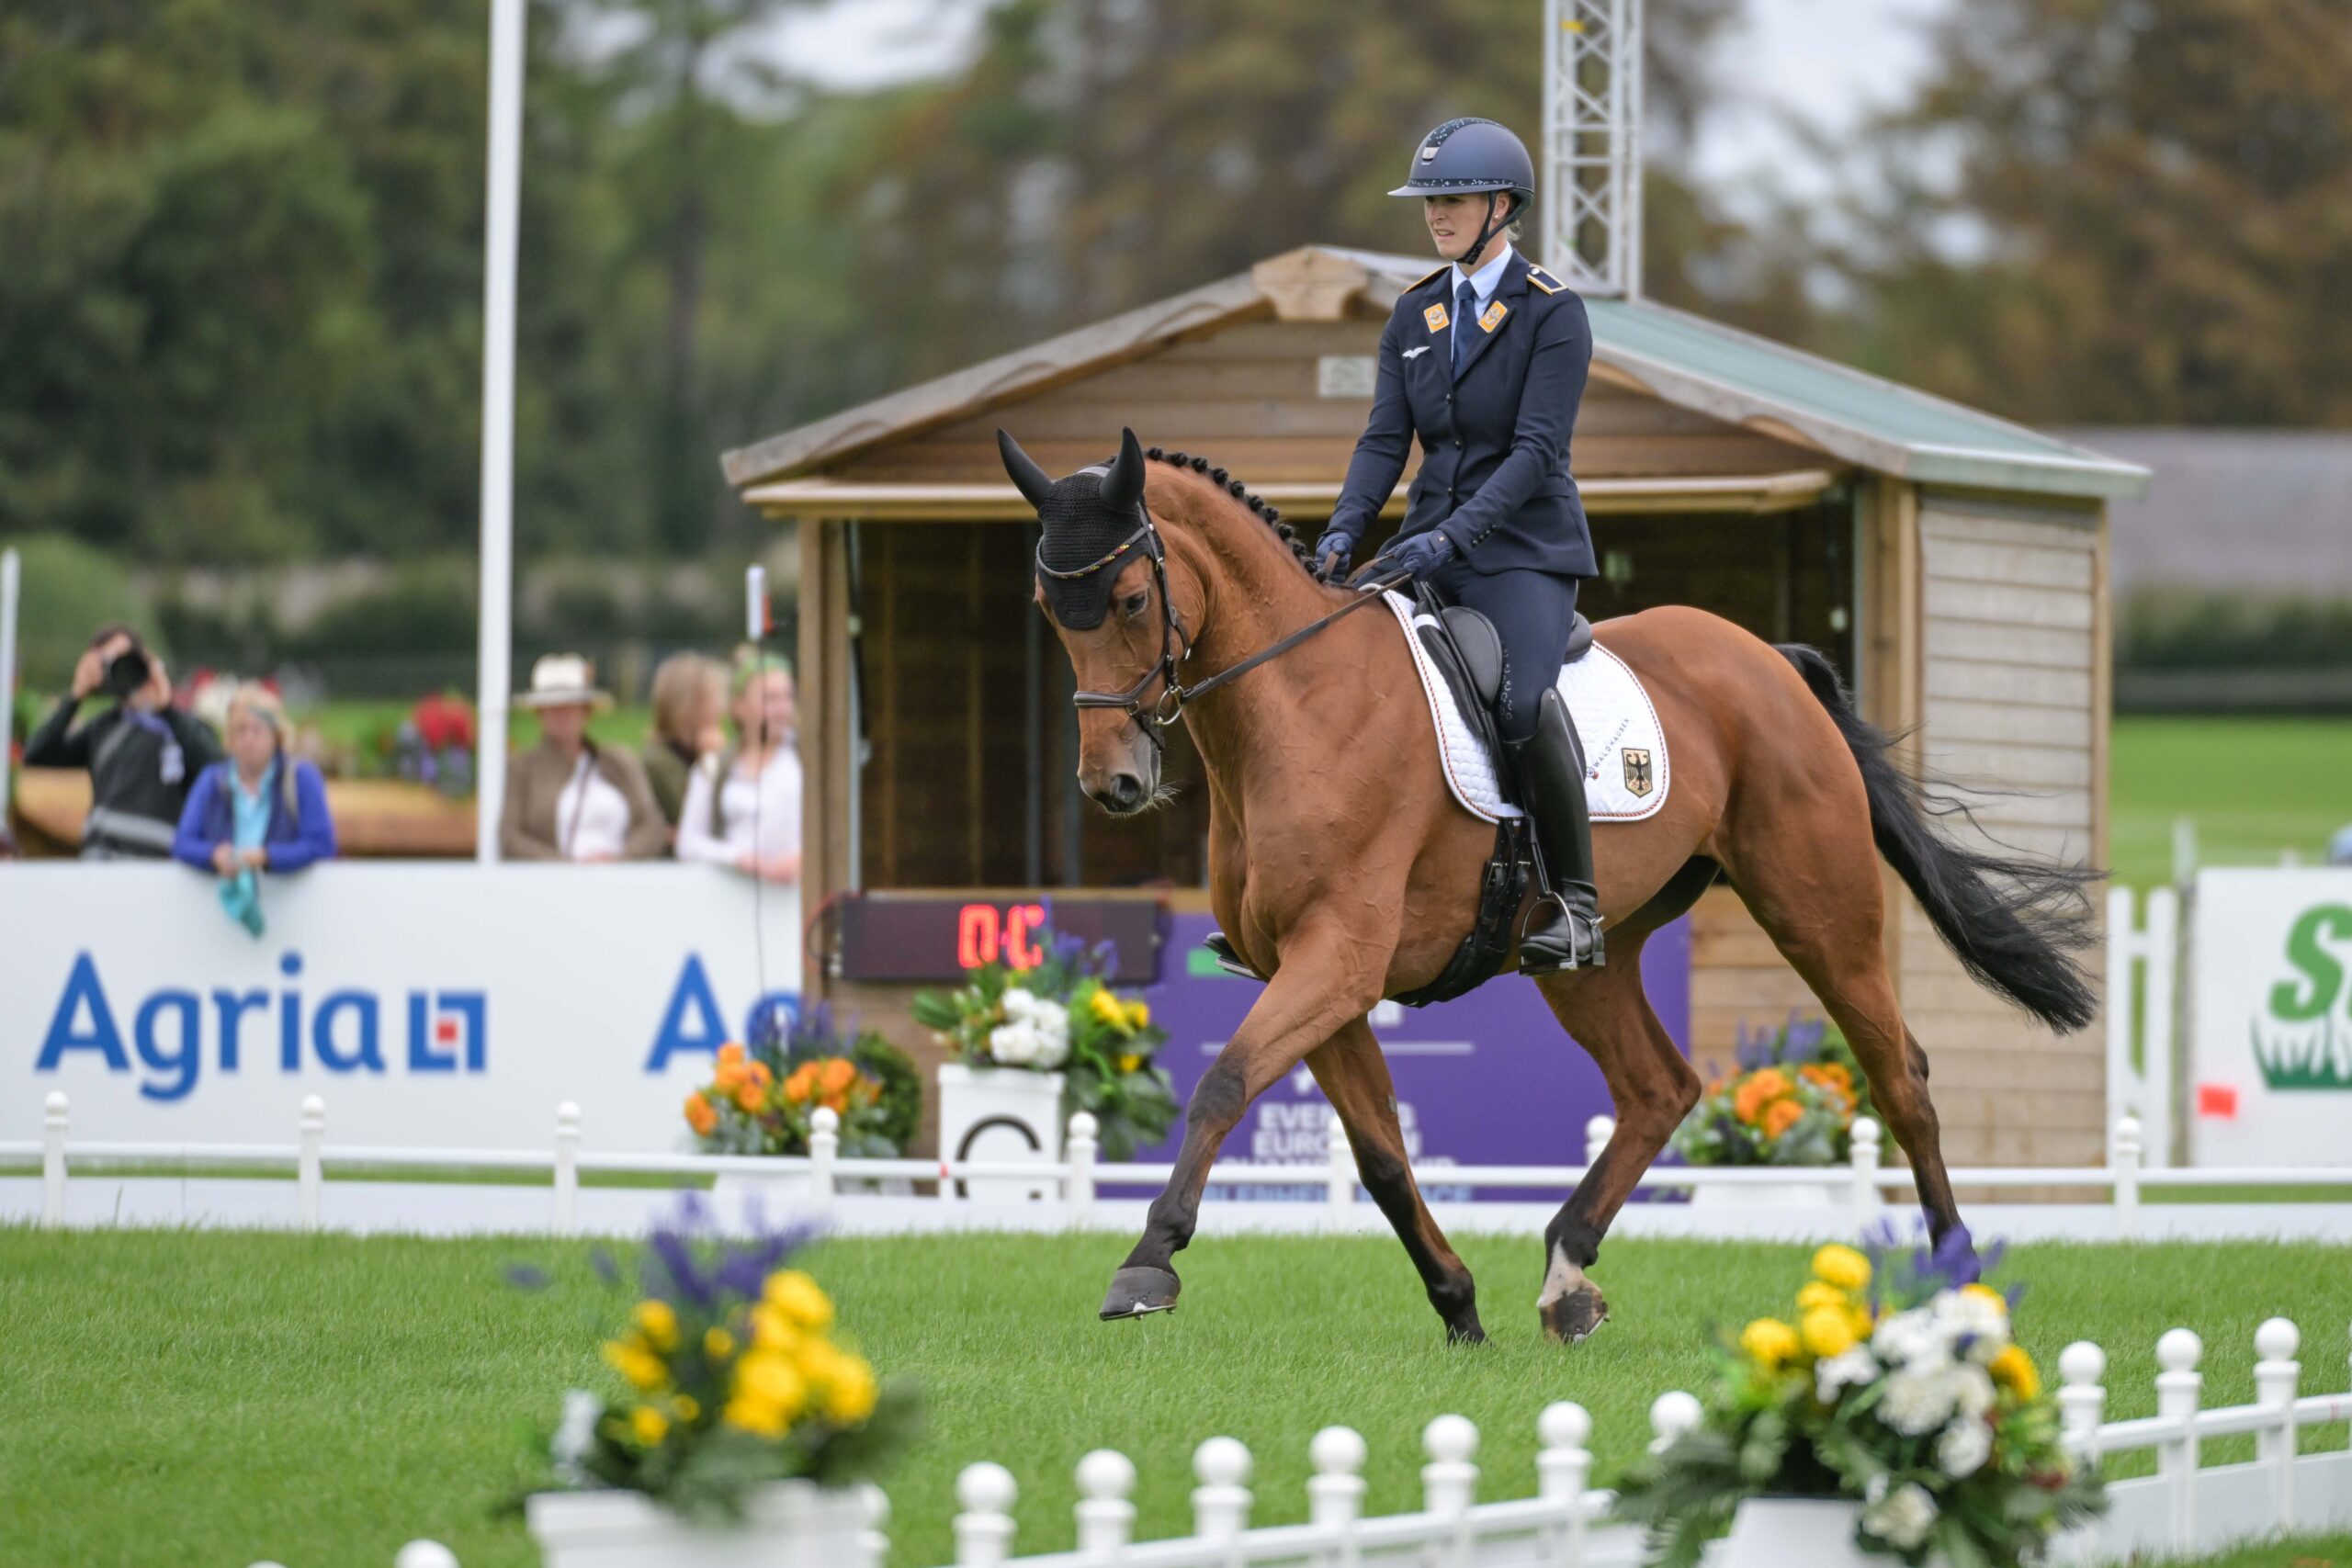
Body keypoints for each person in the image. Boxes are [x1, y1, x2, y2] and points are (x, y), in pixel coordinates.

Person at [1316, 117, 1605, 973]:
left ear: (1501, 205)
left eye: (1454, 199)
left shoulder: (1554, 313)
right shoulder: (1415, 312)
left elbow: (1535, 452)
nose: (1437, 216)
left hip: (1522, 548)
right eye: (1430, 201)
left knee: (1517, 703)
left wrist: (1453, 535)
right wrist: (1342, 530)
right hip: (1424, 544)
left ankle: (1578, 904)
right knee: (1338, 668)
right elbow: (1383, 442)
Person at [23, 624, 224, 860]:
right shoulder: (103, 727)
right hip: (100, 865)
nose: (121, 668)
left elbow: (215, 768)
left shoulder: (182, 727)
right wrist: (76, 695)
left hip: (158, 871)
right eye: (108, 663)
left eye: (125, 658)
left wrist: (167, 708)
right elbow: (37, 754)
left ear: (145, 660)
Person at [171, 683, 337, 933]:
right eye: (240, 730)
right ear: (229, 737)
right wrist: (214, 856)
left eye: (257, 730)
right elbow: (182, 843)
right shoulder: (212, 779)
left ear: (277, 735)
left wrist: (266, 857)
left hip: (294, 918)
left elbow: (321, 844)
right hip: (218, 926)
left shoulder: (301, 777)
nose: (248, 739)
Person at [499, 653, 667, 863]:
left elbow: (652, 824)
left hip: (620, 880)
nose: (562, 714)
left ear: (586, 710)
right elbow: (510, 836)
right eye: (553, 707)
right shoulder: (522, 768)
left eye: (570, 706)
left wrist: (619, 859)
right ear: (539, 713)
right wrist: (566, 865)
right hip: (552, 884)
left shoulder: (619, 761)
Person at [677, 652, 801, 882]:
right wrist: (739, 858)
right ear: (739, 707)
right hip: (732, 896)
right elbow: (688, 843)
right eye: (769, 699)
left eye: (787, 697)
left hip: (797, 895)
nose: (781, 709)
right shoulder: (714, 768)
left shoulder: (806, 762)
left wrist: (803, 858)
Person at [639, 651, 729, 847]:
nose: (721, 708)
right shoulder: (659, 763)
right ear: (689, 705)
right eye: (713, 699)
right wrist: (711, 759)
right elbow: (708, 822)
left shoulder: (690, 754)